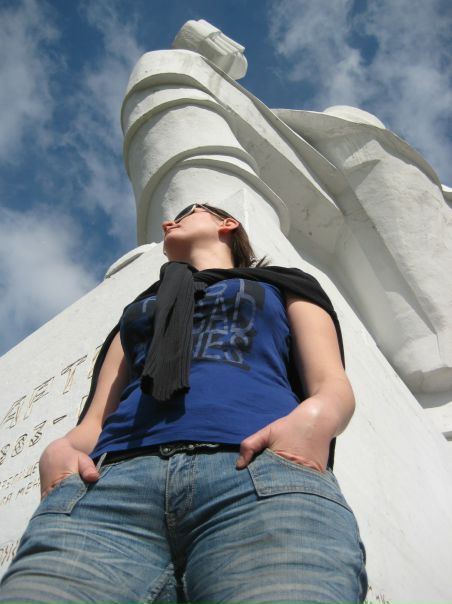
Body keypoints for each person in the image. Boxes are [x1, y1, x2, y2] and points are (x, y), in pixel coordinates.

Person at [0, 203, 367, 604]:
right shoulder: (140, 310)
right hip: (109, 489)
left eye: (188, 212)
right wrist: (63, 449)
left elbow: (330, 382)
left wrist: (315, 419)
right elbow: (97, 417)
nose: (167, 222)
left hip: (257, 475)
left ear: (228, 224)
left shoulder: (283, 284)